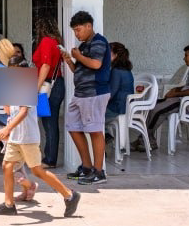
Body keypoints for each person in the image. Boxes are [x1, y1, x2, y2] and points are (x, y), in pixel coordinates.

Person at [0, 101, 81, 217]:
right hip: (15, 138)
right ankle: (9, 205)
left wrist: (7, 129)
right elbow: (8, 111)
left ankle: (70, 195)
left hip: (28, 139)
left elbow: (24, 111)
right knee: (7, 166)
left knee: (37, 170)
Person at [62, 11, 113, 185]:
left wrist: (78, 56)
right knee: (73, 126)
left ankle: (99, 172)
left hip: (94, 93)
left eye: (78, 30)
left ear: (89, 26)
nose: (76, 34)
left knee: (94, 130)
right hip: (81, 94)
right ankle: (86, 167)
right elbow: (80, 70)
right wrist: (70, 61)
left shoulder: (98, 42)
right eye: (74, 31)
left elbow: (96, 64)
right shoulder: (84, 46)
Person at [141, 44, 189, 149]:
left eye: (186, 55)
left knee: (157, 109)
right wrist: (175, 90)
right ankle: (144, 138)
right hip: (182, 100)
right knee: (152, 105)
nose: (184, 58)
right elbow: (188, 87)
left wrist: (175, 94)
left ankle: (148, 139)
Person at [32, 17, 65, 168]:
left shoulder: (46, 41)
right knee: (49, 122)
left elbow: (45, 65)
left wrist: (36, 87)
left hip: (47, 86)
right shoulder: (56, 41)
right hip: (55, 85)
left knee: (49, 123)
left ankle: (50, 159)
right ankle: (49, 156)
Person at [105, 43, 135, 123]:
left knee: (92, 115)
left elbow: (111, 93)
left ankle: (106, 134)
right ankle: (107, 133)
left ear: (116, 55)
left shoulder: (116, 71)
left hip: (117, 109)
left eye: (108, 52)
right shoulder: (125, 69)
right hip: (125, 108)